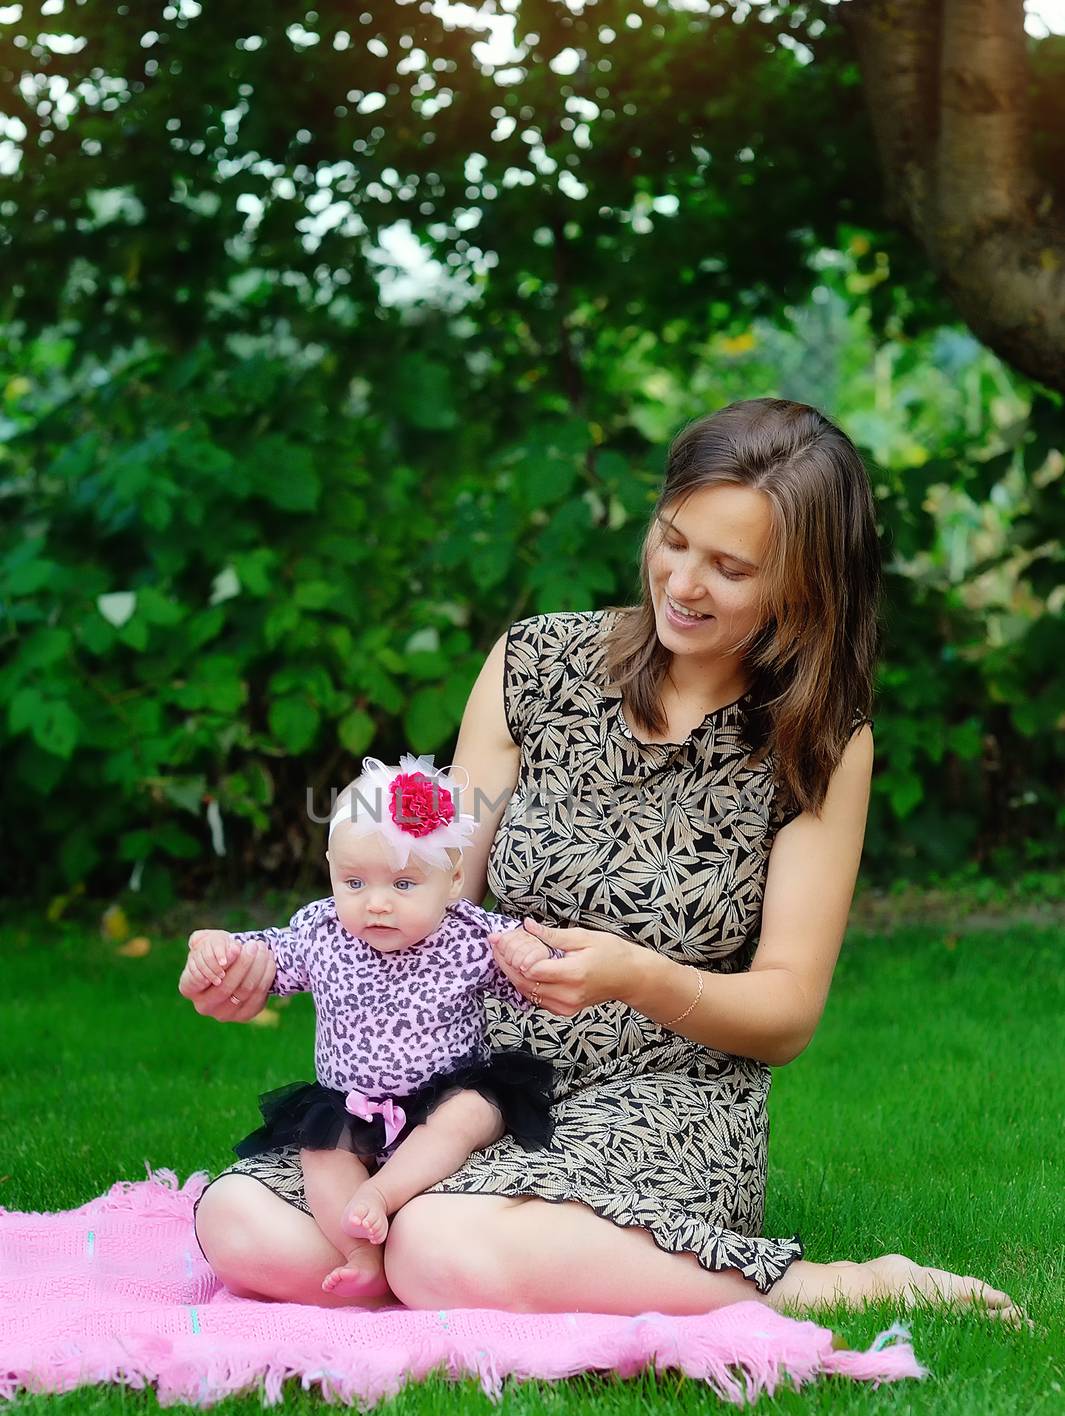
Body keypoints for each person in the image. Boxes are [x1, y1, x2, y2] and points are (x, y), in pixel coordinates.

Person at [188, 398, 1020, 1322]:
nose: (682, 583)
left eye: (730, 568)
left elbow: (785, 1012)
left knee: (437, 1242)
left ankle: (815, 1286)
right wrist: (266, 962)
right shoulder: (535, 666)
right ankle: (495, 1263)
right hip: (468, 1081)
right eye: (673, 540)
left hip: (663, 1098)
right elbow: (431, 891)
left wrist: (635, 976)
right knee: (239, 1223)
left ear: (805, 583)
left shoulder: (816, 736)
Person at [179, 754, 558, 1297]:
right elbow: (262, 955)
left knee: (470, 1113)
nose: (376, 904)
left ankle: (382, 1194)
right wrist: (219, 949)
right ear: (330, 867)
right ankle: (361, 1250)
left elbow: (536, 969)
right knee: (321, 1148)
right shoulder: (322, 933)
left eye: (403, 885)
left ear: (452, 882)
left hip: (442, 1092)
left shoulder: (470, 937)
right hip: (352, 1103)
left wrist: (528, 950)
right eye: (353, 881)